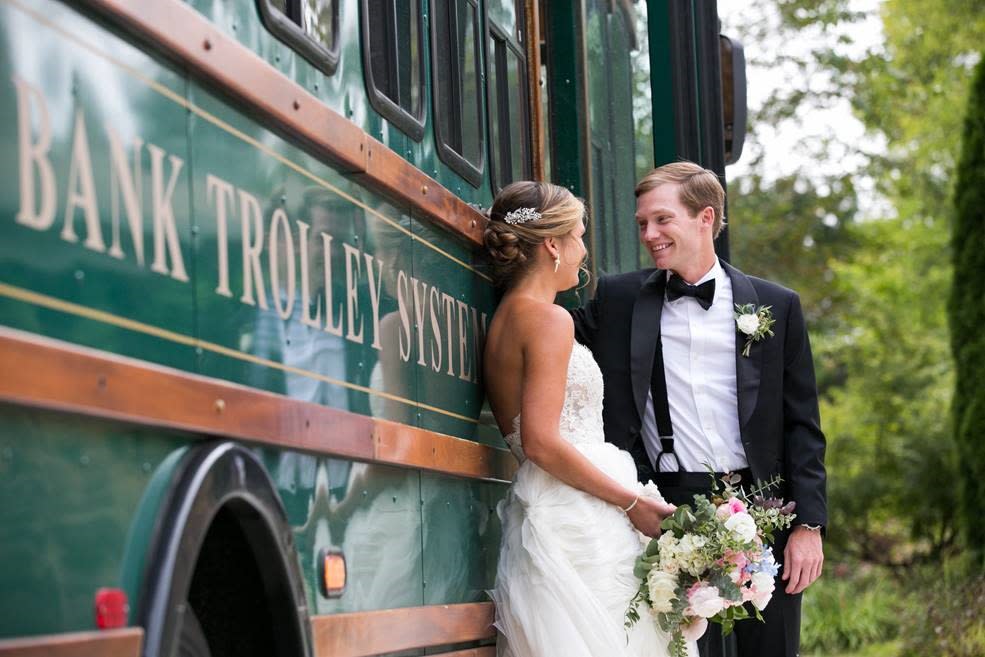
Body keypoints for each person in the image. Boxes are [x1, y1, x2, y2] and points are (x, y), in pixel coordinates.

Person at [571, 161, 827, 657]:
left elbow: (803, 427)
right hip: (663, 510)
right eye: (643, 223)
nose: (650, 234)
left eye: (662, 219)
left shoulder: (777, 306)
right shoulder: (620, 299)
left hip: (762, 510)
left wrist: (808, 526)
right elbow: (546, 328)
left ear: (705, 217)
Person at [483, 181, 697, 657]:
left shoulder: (505, 318)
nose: (583, 251)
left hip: (549, 507)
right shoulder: (547, 320)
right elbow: (540, 441)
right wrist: (630, 504)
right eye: (579, 236)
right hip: (579, 513)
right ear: (553, 245)